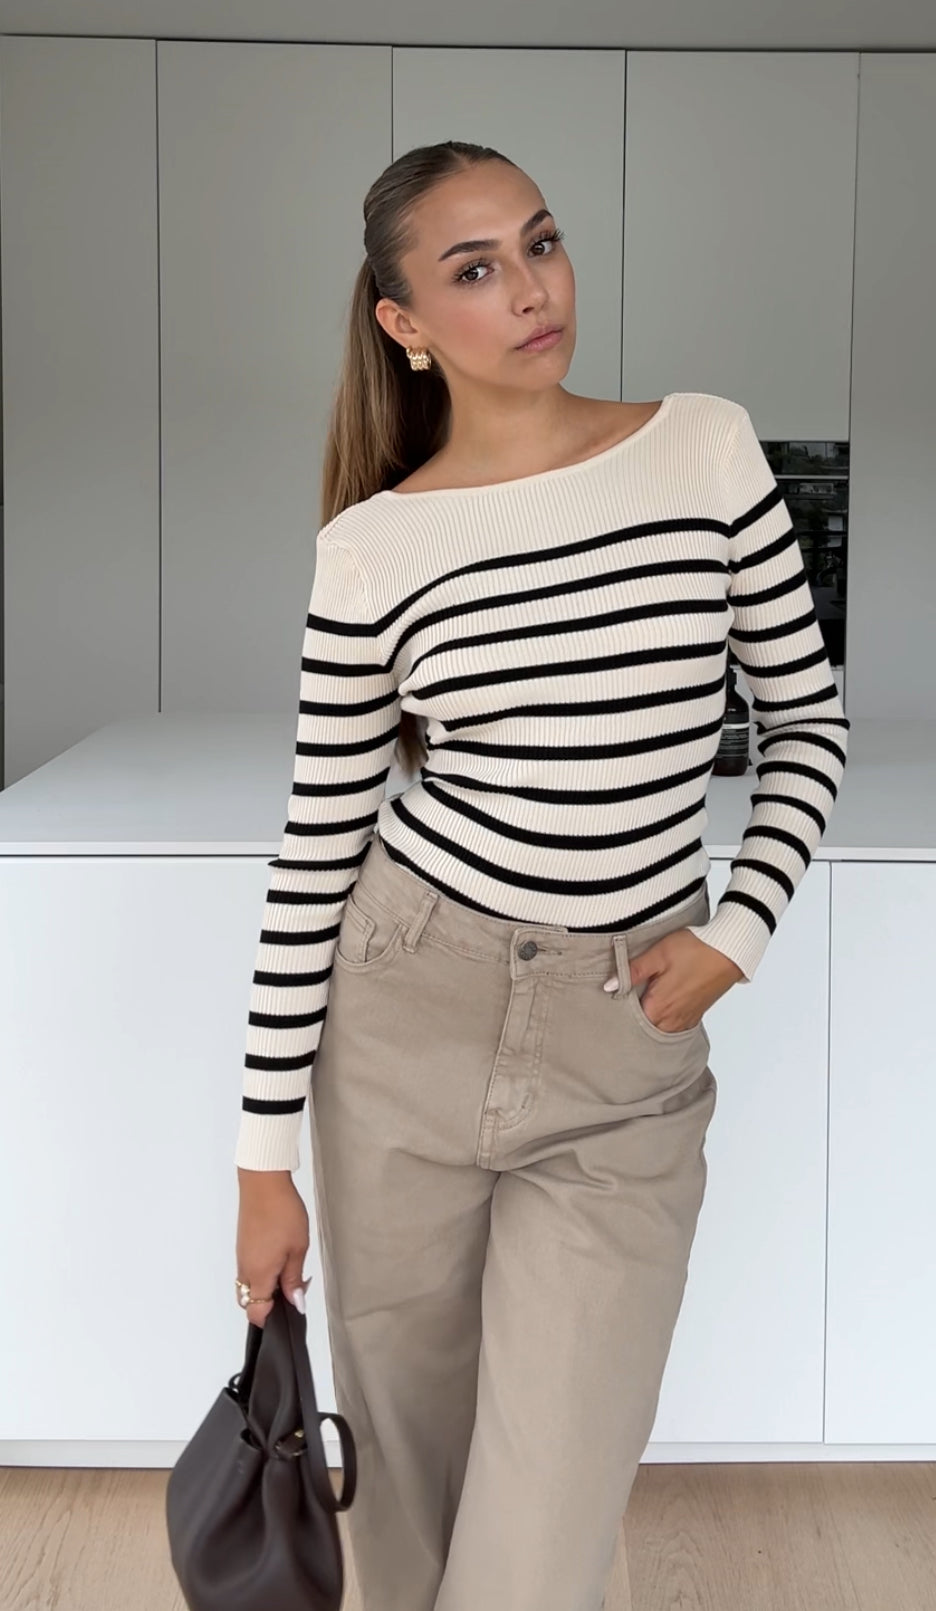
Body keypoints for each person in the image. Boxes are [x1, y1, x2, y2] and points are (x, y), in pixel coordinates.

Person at [234, 139, 850, 1611]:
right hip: (406, 1014)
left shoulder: (701, 447)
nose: (530, 288)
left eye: (541, 242)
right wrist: (260, 1164)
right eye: (475, 269)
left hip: (621, 1038)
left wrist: (739, 930)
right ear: (403, 322)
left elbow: (806, 722)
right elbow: (318, 844)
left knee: (542, 1532)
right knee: (403, 1497)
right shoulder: (372, 548)